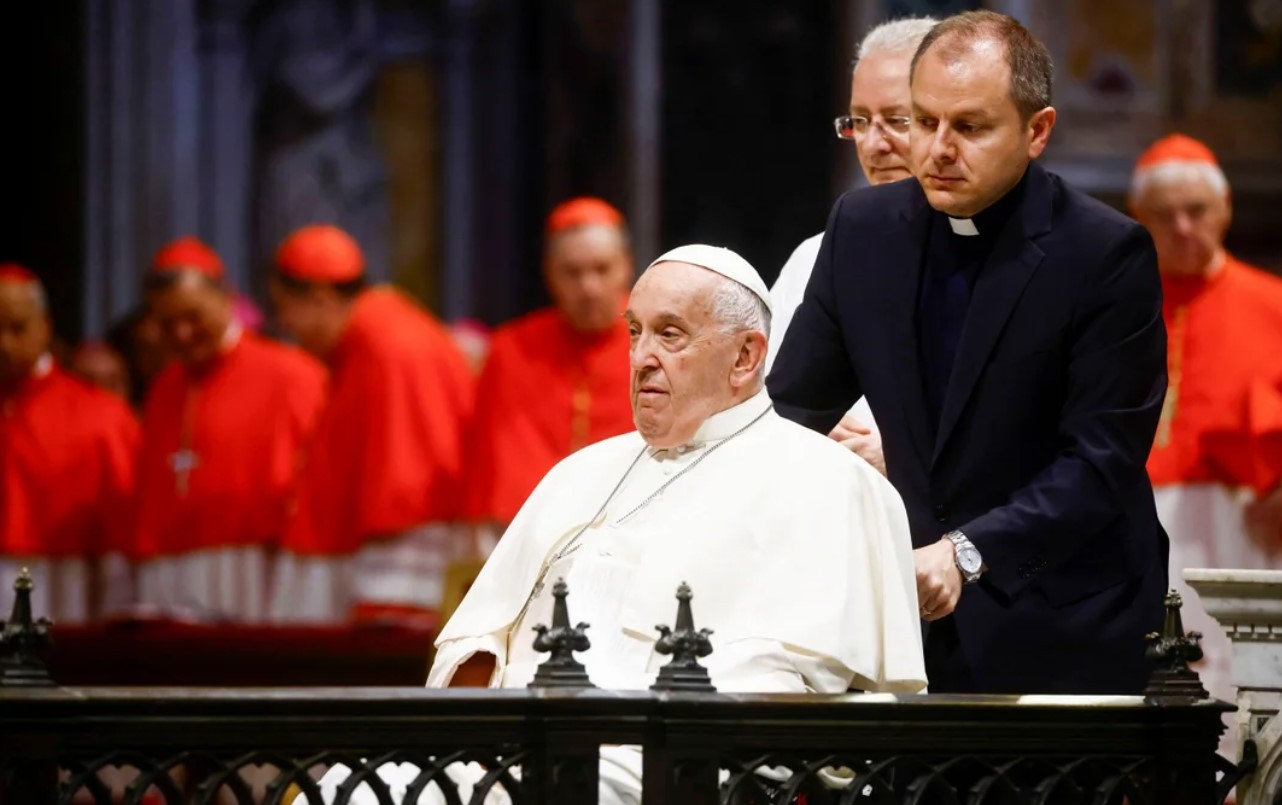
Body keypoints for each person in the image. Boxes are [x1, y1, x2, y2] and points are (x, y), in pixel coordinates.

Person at [321, 244, 926, 804]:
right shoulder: (580, 474)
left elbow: (811, 696)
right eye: (635, 333)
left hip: (671, 764)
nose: (642, 359)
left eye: (670, 335)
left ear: (746, 356)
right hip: (519, 743)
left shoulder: (831, 483)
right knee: (352, 787)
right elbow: (478, 643)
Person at [768, 10, 1169, 694]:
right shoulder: (862, 231)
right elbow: (790, 414)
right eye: (924, 122)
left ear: (1036, 131)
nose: (936, 150)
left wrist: (970, 551)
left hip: (1064, 621)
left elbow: (1102, 460)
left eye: (970, 127)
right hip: (907, 627)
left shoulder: (1102, 253)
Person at [1130, 133, 1282, 710]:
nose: (1183, 228)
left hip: (1239, 527)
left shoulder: (1274, 305)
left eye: (1196, 212)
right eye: (1164, 216)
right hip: (1135, 516)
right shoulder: (1117, 304)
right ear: (1139, 217)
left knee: (1236, 684)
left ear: (1225, 210)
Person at [269, 224, 475, 623]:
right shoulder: (376, 333)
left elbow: (405, 486)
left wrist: (386, 596)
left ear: (321, 299)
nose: (285, 324)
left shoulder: (390, 349)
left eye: (285, 308)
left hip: (398, 559)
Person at [767, 16, 938, 477]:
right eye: (860, 121)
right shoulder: (815, 255)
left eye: (896, 120)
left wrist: (900, 458)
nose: (874, 144)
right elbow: (769, 400)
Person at [132, 237, 327, 622]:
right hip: (173, 583)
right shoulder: (164, 388)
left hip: (260, 575)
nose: (182, 334)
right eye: (167, 324)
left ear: (227, 299)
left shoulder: (293, 374)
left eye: (193, 317)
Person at [461, 197, 635, 535]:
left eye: (601, 269)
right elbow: (489, 471)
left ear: (626, 266)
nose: (588, 287)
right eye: (573, 272)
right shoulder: (512, 349)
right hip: (534, 532)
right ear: (549, 273)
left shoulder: (658, 341)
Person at [0, 264, 139, 622]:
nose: (4, 343)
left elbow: (121, 542)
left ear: (45, 326)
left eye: (16, 327)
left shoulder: (101, 416)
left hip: (64, 591)